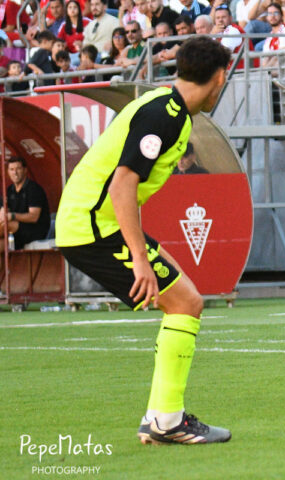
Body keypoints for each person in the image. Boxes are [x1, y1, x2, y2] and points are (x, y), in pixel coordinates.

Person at [55, 36, 232, 445]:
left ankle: (160, 417)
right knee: (185, 303)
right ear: (220, 78)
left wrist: (147, 250)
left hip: (94, 222)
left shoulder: (169, 109)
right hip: (92, 227)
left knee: (185, 299)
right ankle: (167, 421)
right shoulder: (164, 115)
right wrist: (139, 257)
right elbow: (122, 185)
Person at [0, 157, 51, 252]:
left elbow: (34, 217)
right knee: (1, 242)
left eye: (18, 169)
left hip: (36, 230)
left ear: (25, 170)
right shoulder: (9, 190)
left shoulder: (33, 189)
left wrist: (12, 216)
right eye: (12, 169)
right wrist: (3, 213)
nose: (15, 172)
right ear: (8, 172)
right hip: (18, 232)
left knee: (7, 225)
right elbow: (4, 211)